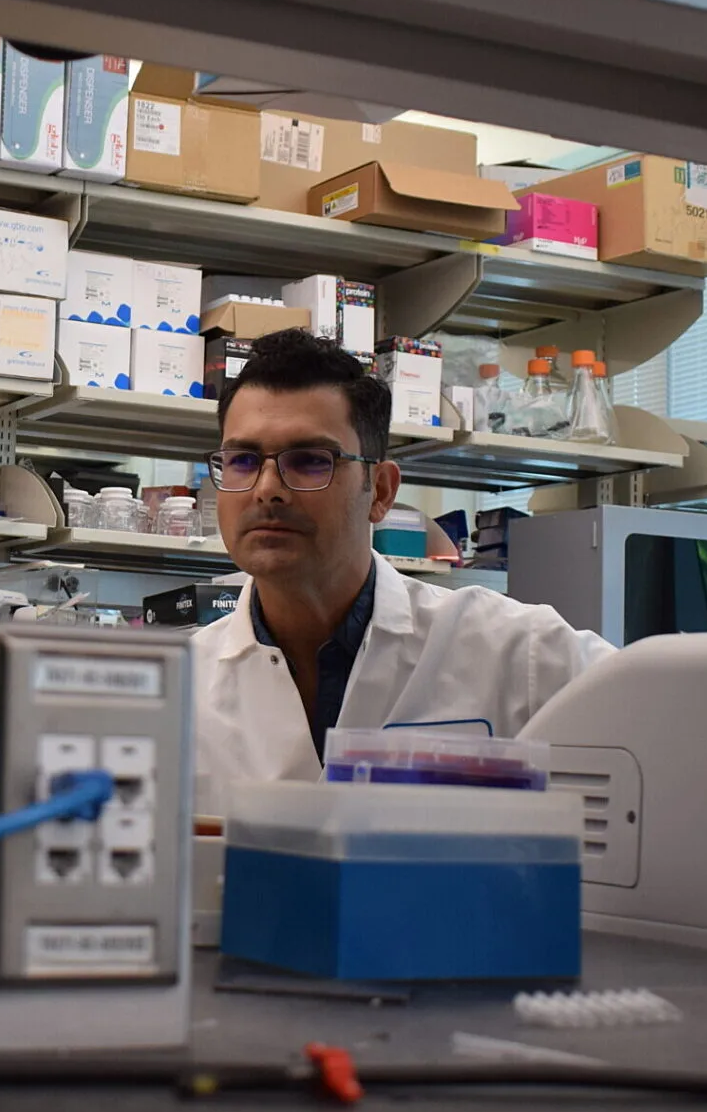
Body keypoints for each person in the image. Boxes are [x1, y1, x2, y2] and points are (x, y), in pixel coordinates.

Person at [191, 330, 613, 812]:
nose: (267, 489)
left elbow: (674, 720)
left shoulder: (517, 651)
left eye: (310, 461)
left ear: (382, 491)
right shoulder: (181, 689)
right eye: (243, 460)